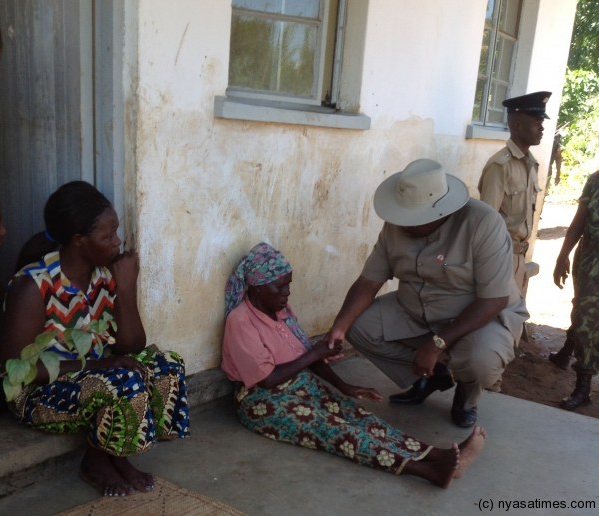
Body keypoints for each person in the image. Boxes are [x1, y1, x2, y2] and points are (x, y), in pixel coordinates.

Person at [221, 242, 486, 489]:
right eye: (278, 287)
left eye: (288, 285)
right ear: (256, 287)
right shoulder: (241, 321)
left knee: (360, 417)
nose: (286, 293)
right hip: (262, 402)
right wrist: (316, 354)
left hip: (299, 385)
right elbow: (266, 379)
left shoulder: (280, 311)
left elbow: (306, 356)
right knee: (336, 430)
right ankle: (427, 472)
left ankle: (438, 454)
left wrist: (345, 386)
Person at [0, 181, 190, 497]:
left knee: (166, 365)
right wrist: (103, 364)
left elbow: (131, 346)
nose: (117, 242)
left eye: (116, 233)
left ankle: (115, 453)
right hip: (36, 394)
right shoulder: (33, 287)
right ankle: (96, 459)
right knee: (120, 380)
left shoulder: (104, 276)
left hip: (94, 377)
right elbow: (16, 371)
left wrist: (126, 288)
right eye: (107, 236)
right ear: (79, 241)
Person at [326, 159, 529, 428]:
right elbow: (368, 282)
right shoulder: (396, 225)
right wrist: (339, 327)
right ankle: (431, 375)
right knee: (358, 327)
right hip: (415, 309)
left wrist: (436, 344)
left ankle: (467, 395)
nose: (405, 225)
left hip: (477, 317)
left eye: (414, 219)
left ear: (441, 212)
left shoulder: (482, 223)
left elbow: (494, 300)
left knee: (481, 361)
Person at [478, 91, 552, 295]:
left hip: (519, 256)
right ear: (517, 125)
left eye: (542, 122)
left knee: (514, 318)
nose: (542, 128)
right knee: (499, 321)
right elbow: (486, 221)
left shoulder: (531, 163)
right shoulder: (500, 166)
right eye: (537, 122)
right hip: (499, 258)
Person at [552, 171, 599, 410]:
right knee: (584, 316)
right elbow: (579, 222)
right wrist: (563, 256)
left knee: (588, 318)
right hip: (591, 261)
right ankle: (584, 385)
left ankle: (566, 352)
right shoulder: (595, 180)